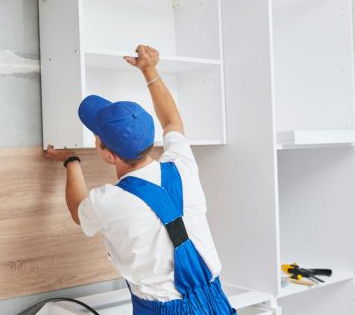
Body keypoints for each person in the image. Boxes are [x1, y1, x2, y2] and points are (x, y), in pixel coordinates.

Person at [45, 45, 235, 314]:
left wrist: (71, 161)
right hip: (215, 302)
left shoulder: (111, 200)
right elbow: (172, 122)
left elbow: (78, 210)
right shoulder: (182, 165)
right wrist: (150, 70)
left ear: (108, 155)